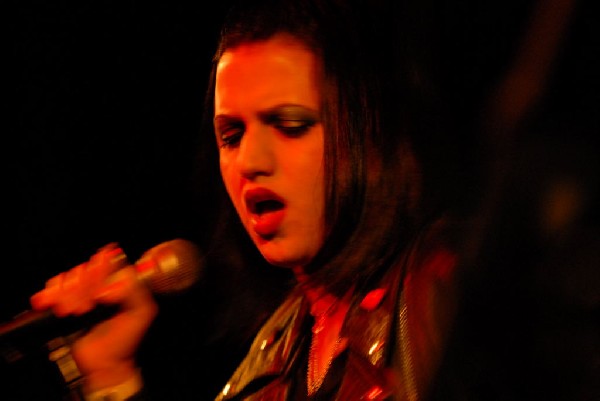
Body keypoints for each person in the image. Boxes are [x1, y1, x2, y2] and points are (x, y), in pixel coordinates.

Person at [29, 0, 460, 400]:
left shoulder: (444, 281)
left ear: (369, 133)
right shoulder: (273, 355)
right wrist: (110, 376)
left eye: (289, 125)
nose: (249, 161)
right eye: (231, 136)